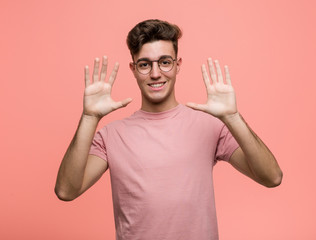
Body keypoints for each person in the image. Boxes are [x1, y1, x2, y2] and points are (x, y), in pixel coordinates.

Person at [55, 19, 283, 240]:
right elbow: (66, 191)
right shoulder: (111, 135)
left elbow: (272, 177)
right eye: (145, 64)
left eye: (164, 62)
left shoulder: (210, 126)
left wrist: (233, 117)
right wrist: (89, 117)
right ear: (133, 69)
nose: (155, 73)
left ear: (178, 65)